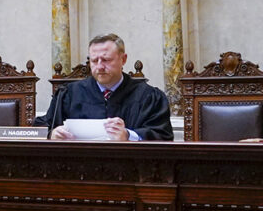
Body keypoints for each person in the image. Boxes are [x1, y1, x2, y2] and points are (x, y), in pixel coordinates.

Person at [35, 33, 173, 141]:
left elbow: (163, 135)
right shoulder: (69, 94)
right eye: (94, 61)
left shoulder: (148, 97)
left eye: (106, 60)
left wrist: (128, 136)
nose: (100, 66)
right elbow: (39, 128)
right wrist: (51, 134)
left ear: (123, 59)